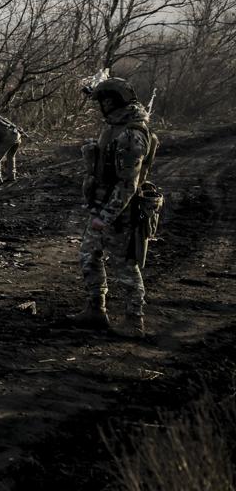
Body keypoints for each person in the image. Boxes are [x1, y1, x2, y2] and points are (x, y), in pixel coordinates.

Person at [68, 76, 160, 337]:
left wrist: (106, 216)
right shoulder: (115, 126)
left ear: (115, 102)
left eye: (106, 100)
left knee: (125, 267)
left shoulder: (132, 134)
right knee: (89, 256)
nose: (102, 106)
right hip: (101, 205)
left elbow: (128, 184)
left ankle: (134, 321)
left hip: (122, 212)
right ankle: (95, 310)